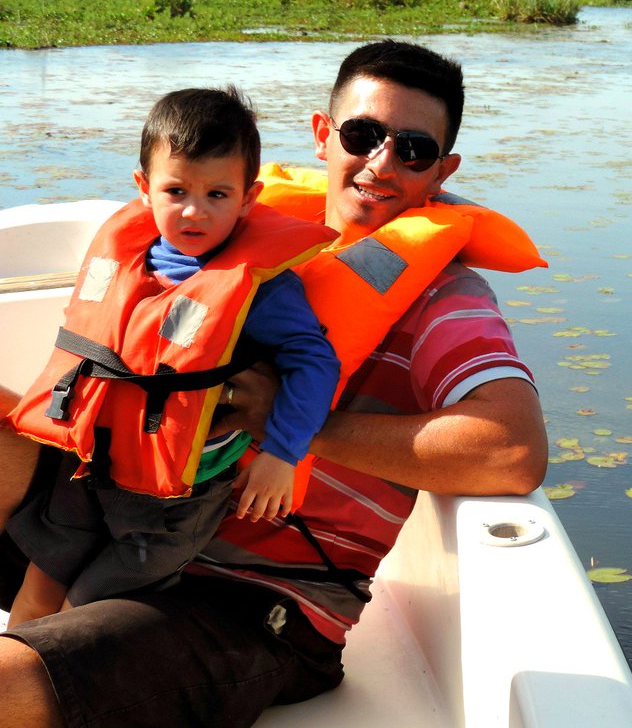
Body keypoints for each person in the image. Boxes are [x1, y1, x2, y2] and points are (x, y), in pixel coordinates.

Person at [0, 40, 548, 728]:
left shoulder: (446, 301)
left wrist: (288, 424)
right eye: (363, 134)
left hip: (251, 602)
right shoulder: (234, 233)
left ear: (442, 169)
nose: (381, 162)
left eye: (412, 149)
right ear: (324, 135)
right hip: (117, 504)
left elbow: (512, 450)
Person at [4, 86, 341, 627]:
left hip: (173, 499)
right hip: (86, 468)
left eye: (217, 195)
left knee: (77, 611)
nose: (193, 211)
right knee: (37, 589)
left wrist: (283, 454)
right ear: (144, 188)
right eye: (177, 190)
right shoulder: (124, 262)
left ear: (248, 199)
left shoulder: (260, 289)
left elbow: (315, 362)